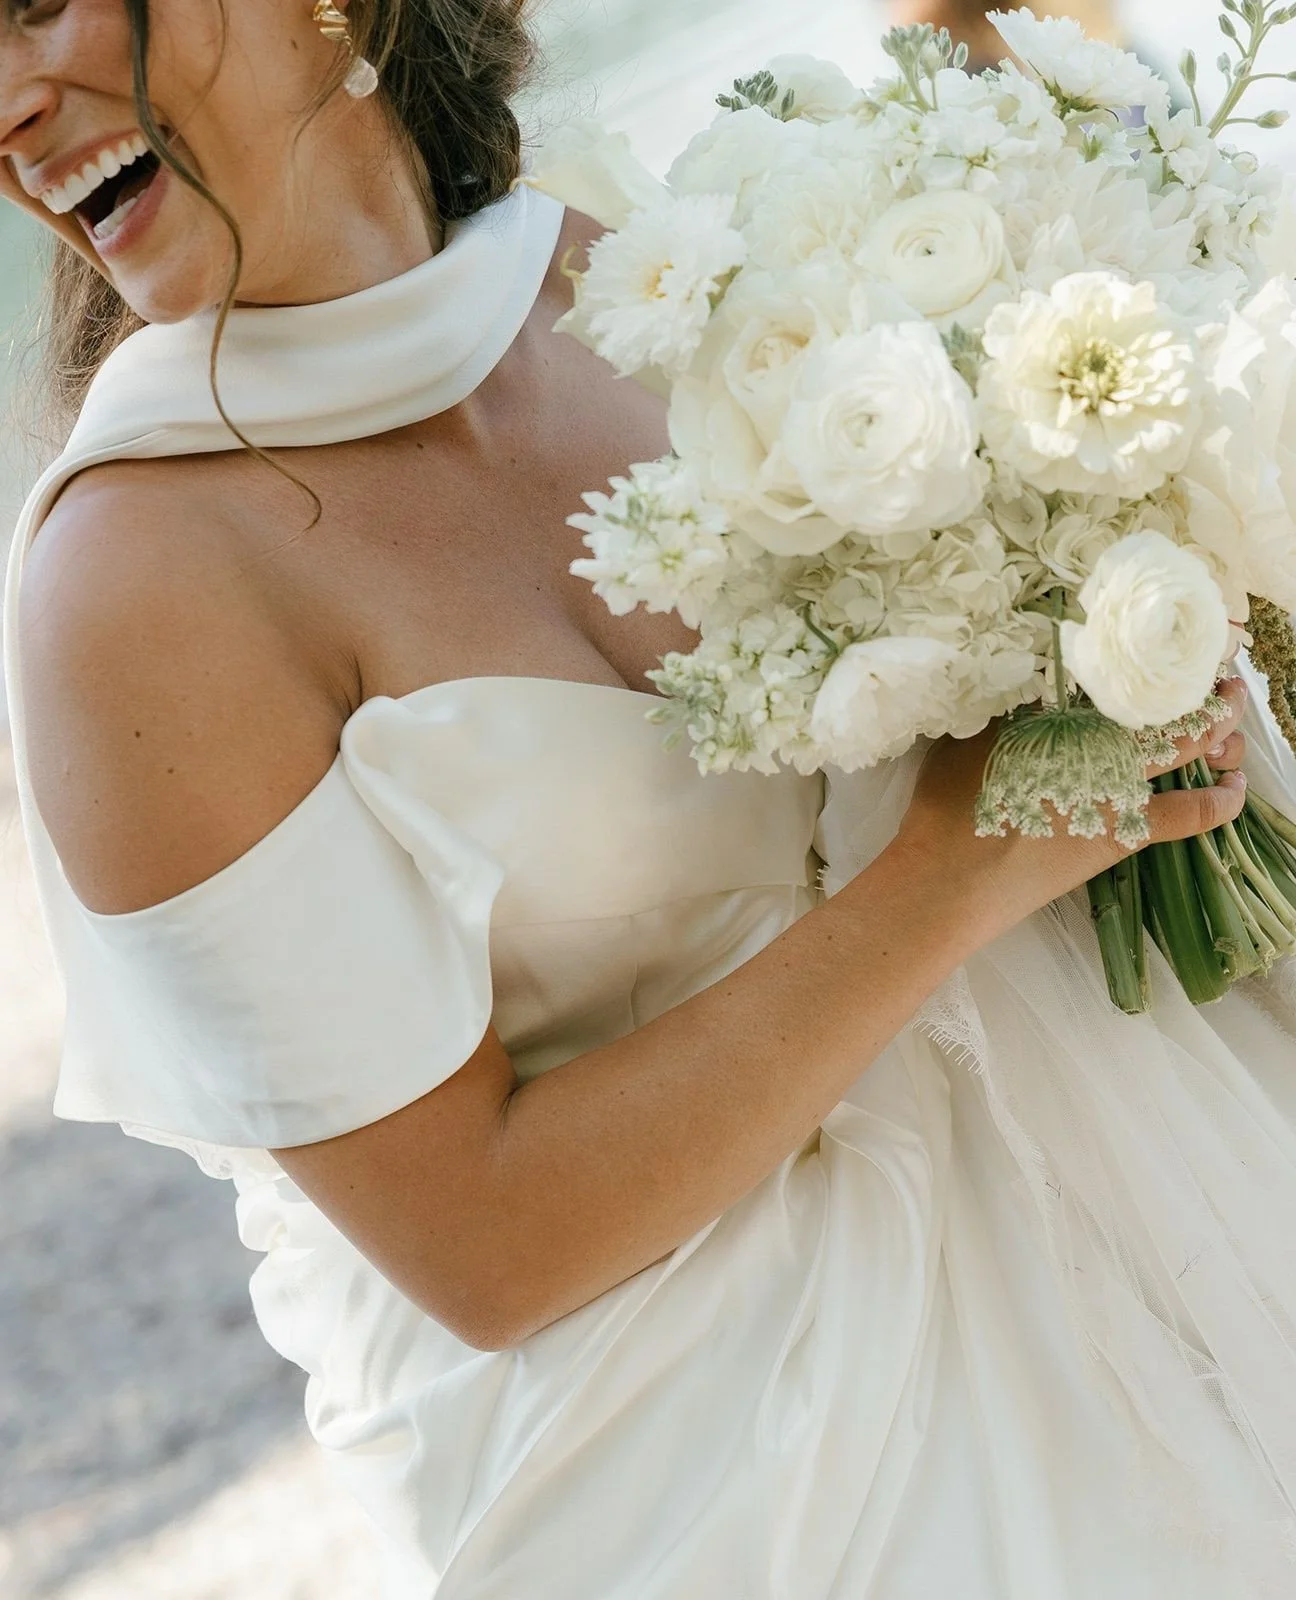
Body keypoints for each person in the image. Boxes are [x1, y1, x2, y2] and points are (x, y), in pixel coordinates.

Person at [3, 0, 1296, 1594]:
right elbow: (482, 1246)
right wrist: (953, 873)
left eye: (28, 10)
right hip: (731, 1448)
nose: (7, 104)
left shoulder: (611, 271)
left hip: (1100, 1195)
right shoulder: (132, 589)